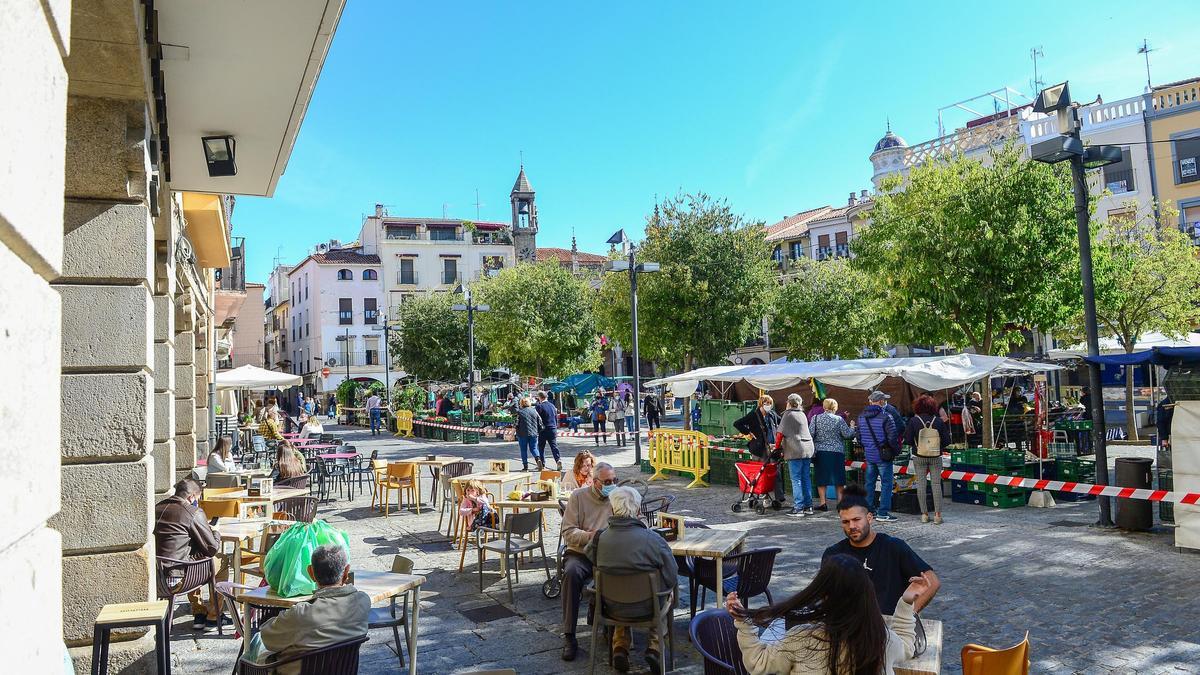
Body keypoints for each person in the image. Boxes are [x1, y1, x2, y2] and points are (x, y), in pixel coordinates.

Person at [726, 553, 921, 675]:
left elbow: (758, 664)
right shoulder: (881, 639)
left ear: (822, 595)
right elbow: (906, 647)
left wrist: (744, 621)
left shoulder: (803, 638)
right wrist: (906, 603)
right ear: (867, 594)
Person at [587, 486, 677, 673]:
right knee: (666, 595)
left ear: (612, 510)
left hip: (610, 606)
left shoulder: (599, 539)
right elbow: (672, 574)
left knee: (621, 590)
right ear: (637, 511)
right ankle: (654, 647)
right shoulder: (653, 539)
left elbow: (590, 558)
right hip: (647, 606)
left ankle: (620, 646)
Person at [245, 545, 370, 675]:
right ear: (346, 572)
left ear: (311, 573)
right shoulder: (362, 602)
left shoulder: (301, 614)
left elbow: (267, 638)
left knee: (256, 645)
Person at [823, 485, 940, 615]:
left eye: (856, 520)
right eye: (845, 522)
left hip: (890, 626)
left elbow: (932, 581)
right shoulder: (833, 554)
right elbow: (825, 594)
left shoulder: (893, 546)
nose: (852, 526)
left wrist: (907, 617)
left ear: (869, 518)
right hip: (849, 626)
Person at [559, 461, 618, 661]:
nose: (612, 484)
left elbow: (638, 519)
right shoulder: (578, 497)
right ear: (595, 482)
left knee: (624, 572)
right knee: (572, 573)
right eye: (607, 481)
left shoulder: (617, 497)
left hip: (609, 554)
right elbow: (568, 532)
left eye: (614, 480)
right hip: (581, 553)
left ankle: (616, 630)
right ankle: (569, 635)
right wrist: (589, 535)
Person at [153, 478, 228, 630]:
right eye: (197, 499)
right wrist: (216, 531)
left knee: (195, 555)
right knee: (222, 560)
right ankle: (214, 616)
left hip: (157, 578)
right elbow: (212, 548)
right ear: (191, 497)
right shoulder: (193, 512)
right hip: (179, 579)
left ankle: (199, 612)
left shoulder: (157, 507)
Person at [904, 394, 952, 524]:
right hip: (936, 456)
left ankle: (924, 514)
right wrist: (937, 446)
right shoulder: (938, 421)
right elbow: (947, 441)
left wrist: (917, 444)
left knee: (921, 484)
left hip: (919, 456)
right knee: (936, 484)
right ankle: (937, 515)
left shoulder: (913, 421)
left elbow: (907, 440)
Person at [856, 391, 900, 521]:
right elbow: (893, 438)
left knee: (869, 483)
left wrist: (868, 447)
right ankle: (883, 512)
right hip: (883, 455)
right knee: (886, 484)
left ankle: (869, 511)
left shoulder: (861, 417)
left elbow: (859, 437)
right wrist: (895, 451)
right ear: (881, 402)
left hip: (869, 455)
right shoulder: (886, 416)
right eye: (884, 400)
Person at [733, 395, 784, 504]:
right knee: (760, 473)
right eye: (766, 403)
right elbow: (737, 423)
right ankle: (760, 496)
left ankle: (779, 497)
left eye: (770, 403)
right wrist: (748, 432)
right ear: (761, 404)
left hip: (773, 447)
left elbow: (781, 423)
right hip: (759, 448)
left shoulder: (772, 414)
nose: (768, 405)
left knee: (775, 472)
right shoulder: (753, 415)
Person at [811, 398, 854, 511]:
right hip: (837, 452)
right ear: (835, 407)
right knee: (839, 479)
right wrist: (852, 426)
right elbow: (848, 434)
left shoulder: (815, 419)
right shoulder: (839, 419)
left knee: (822, 478)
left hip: (821, 452)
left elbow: (810, 434)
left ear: (824, 407)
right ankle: (840, 503)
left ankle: (823, 503)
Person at [778, 393, 816, 517]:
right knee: (805, 478)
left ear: (788, 402)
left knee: (796, 479)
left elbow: (780, 434)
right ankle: (808, 506)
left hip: (795, 450)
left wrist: (777, 446)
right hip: (807, 449)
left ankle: (798, 508)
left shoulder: (787, 415)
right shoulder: (802, 414)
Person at [535, 391, 563, 470]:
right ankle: (558, 460)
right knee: (554, 446)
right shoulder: (552, 406)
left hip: (543, 430)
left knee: (541, 447)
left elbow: (537, 419)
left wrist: (537, 429)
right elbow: (555, 418)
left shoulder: (539, 406)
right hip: (552, 428)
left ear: (540, 397)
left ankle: (542, 464)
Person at [516, 397, 545, 471]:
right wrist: (537, 430)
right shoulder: (534, 411)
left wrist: (514, 432)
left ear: (521, 404)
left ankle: (525, 467)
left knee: (523, 450)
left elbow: (516, 423)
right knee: (534, 448)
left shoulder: (520, 412)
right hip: (534, 433)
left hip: (522, 434)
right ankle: (538, 459)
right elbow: (540, 421)